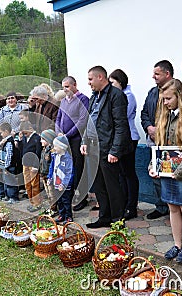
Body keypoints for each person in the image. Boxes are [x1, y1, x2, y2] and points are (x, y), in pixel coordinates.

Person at [149, 79, 182, 263]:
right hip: (167, 172)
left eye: (168, 98)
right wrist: (153, 166)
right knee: (172, 207)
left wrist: (180, 171)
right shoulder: (165, 116)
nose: (165, 103)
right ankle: (177, 244)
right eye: (163, 99)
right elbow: (159, 146)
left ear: (179, 96)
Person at [82, 66, 132, 228]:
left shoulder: (116, 96)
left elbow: (121, 125)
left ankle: (117, 219)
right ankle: (104, 216)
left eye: (91, 79)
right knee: (99, 186)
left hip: (108, 149)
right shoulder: (93, 97)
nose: (88, 83)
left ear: (101, 77)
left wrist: (115, 151)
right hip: (93, 149)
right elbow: (89, 122)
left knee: (113, 186)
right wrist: (84, 141)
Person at [141, 60, 174, 219]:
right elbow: (144, 113)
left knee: (171, 177)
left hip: (171, 143)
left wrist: (162, 131)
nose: (153, 76)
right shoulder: (152, 92)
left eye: (157, 74)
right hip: (154, 142)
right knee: (156, 175)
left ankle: (174, 208)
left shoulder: (177, 92)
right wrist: (149, 128)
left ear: (167, 74)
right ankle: (162, 207)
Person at [109, 69, 140, 220]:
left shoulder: (128, 96)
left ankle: (131, 206)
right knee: (121, 174)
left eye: (113, 82)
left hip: (129, 138)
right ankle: (123, 203)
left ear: (120, 82)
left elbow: (120, 116)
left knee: (129, 173)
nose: (111, 86)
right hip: (118, 139)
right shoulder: (114, 96)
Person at [56, 76, 90, 211]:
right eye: (63, 87)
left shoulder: (83, 99)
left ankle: (82, 197)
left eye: (67, 86)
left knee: (79, 168)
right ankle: (70, 194)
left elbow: (82, 121)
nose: (65, 89)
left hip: (76, 140)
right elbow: (59, 118)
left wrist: (67, 134)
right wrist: (59, 132)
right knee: (67, 168)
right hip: (65, 141)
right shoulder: (64, 101)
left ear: (74, 85)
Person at [48, 135, 74, 224]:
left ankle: (68, 216)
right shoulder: (55, 156)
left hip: (64, 185)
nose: (54, 148)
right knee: (59, 200)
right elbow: (52, 167)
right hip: (56, 183)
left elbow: (69, 173)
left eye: (55, 146)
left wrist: (64, 184)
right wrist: (50, 177)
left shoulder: (67, 159)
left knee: (66, 200)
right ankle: (61, 214)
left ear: (62, 147)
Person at [18, 121, 43, 212]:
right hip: (25, 163)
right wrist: (20, 141)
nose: (24, 134)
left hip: (33, 165)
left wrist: (36, 166)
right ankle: (31, 201)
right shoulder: (24, 138)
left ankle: (37, 203)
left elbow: (38, 152)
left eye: (25, 132)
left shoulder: (36, 138)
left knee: (34, 184)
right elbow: (21, 149)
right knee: (27, 184)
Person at [0, 122, 20, 203]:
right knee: (6, 181)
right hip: (5, 166)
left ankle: (13, 197)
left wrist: (6, 167)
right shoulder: (5, 141)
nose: (0, 134)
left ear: (6, 131)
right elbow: (2, 154)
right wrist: (1, 166)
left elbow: (9, 156)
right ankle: (7, 195)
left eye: (1, 132)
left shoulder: (10, 142)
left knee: (11, 182)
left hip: (9, 166)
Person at [40, 129, 57, 214]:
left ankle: (54, 208)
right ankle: (51, 207)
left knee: (52, 193)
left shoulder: (52, 151)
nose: (41, 141)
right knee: (48, 193)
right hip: (44, 175)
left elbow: (52, 164)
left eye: (43, 139)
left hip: (49, 175)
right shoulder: (44, 149)